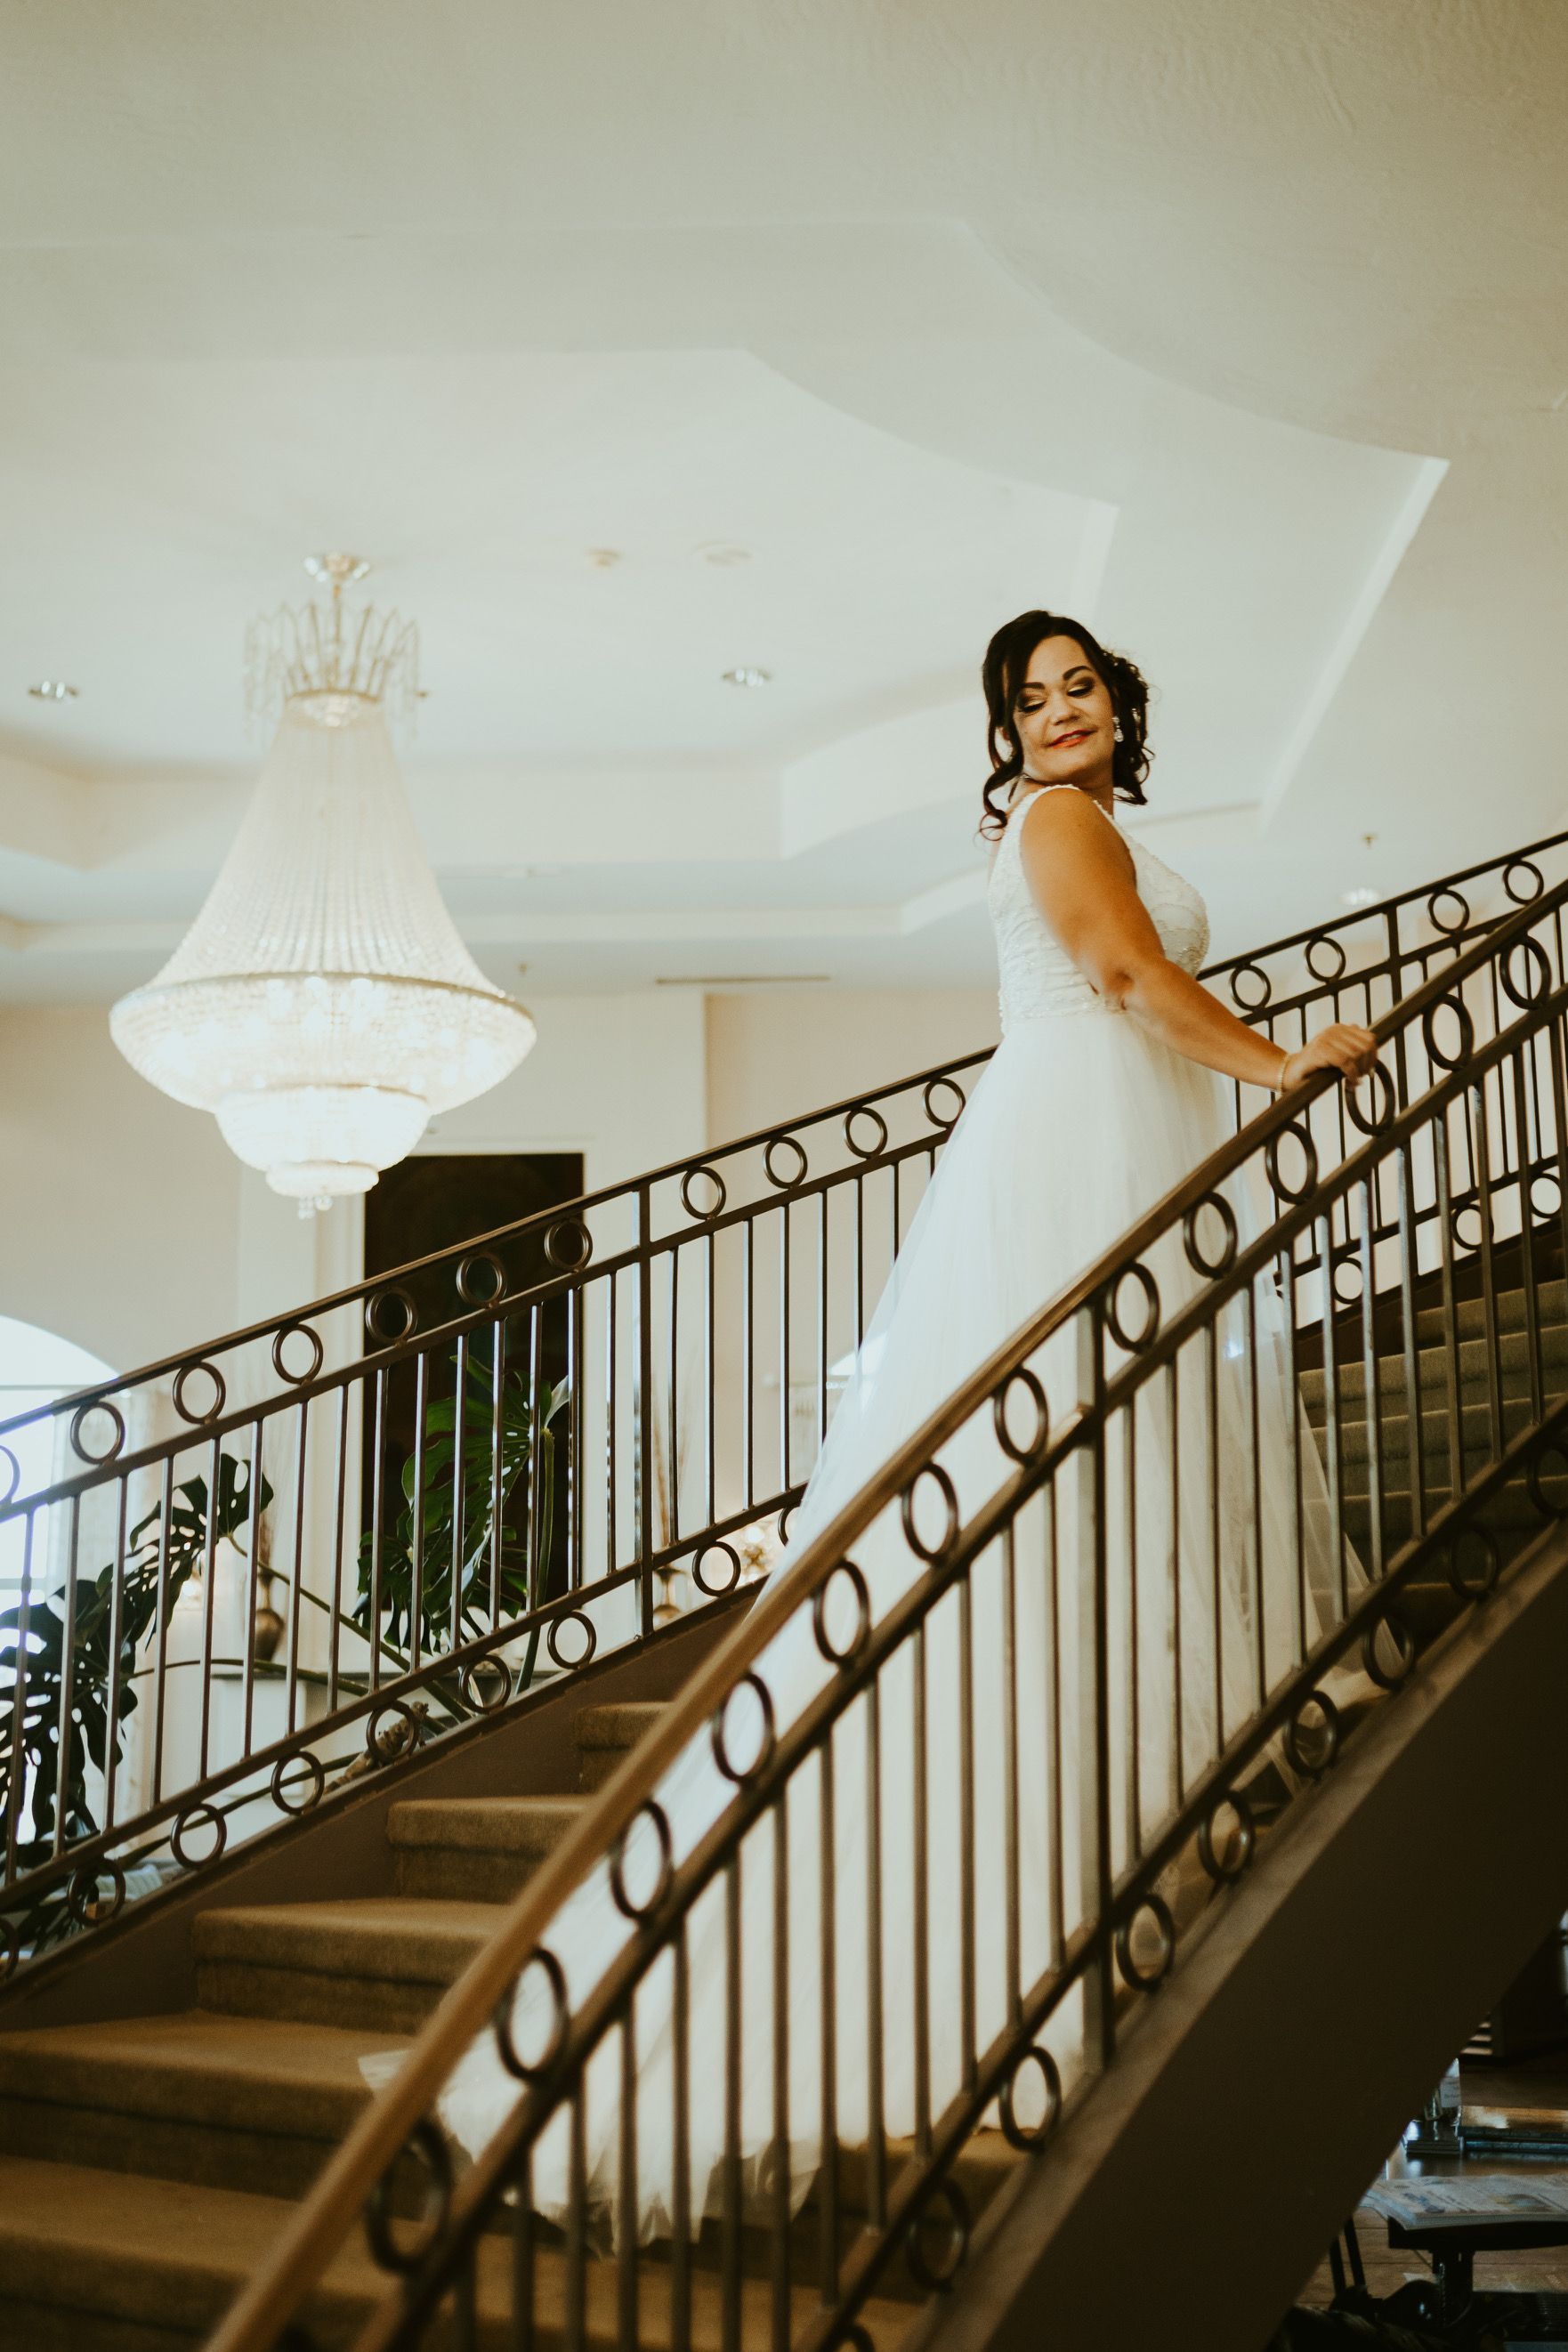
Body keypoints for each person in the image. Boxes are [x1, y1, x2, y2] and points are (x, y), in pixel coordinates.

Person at [382, 610, 1378, 2240]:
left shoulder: (1098, 823)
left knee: (1081, 1484)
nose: (1054, 715)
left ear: (1122, 705)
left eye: (1078, 688)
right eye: (1027, 699)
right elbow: (1124, 975)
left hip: (1108, 1144)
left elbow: (1130, 970)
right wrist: (1281, 1068)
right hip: (1076, 1155)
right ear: (1011, 733)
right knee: (1063, 1473)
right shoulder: (1057, 826)